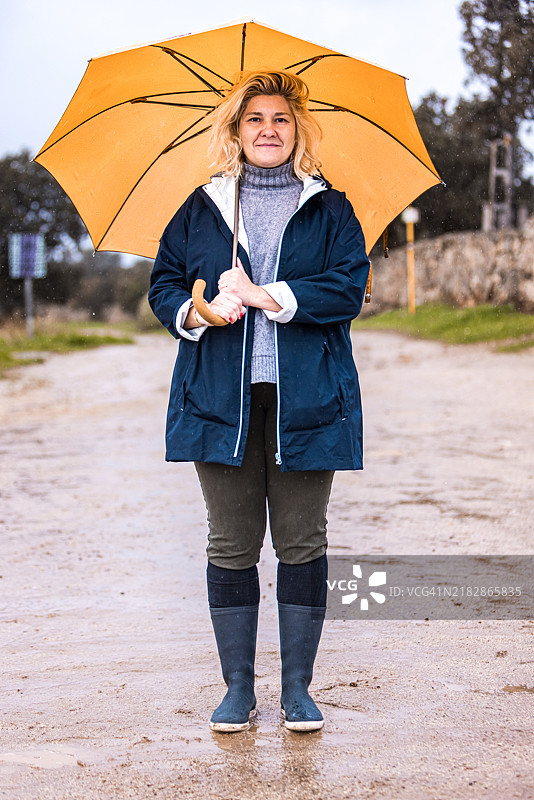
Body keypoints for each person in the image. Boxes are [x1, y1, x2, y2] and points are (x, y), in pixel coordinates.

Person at [148, 70, 370, 733]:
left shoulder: (331, 208)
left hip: (308, 397)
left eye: (279, 118)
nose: (268, 130)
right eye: (254, 120)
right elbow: (162, 284)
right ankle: (238, 690)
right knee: (231, 543)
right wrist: (200, 308)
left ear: (297, 128)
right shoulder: (202, 207)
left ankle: (297, 690)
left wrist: (269, 295)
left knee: (302, 542)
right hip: (221, 399)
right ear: (235, 130)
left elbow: (348, 288)